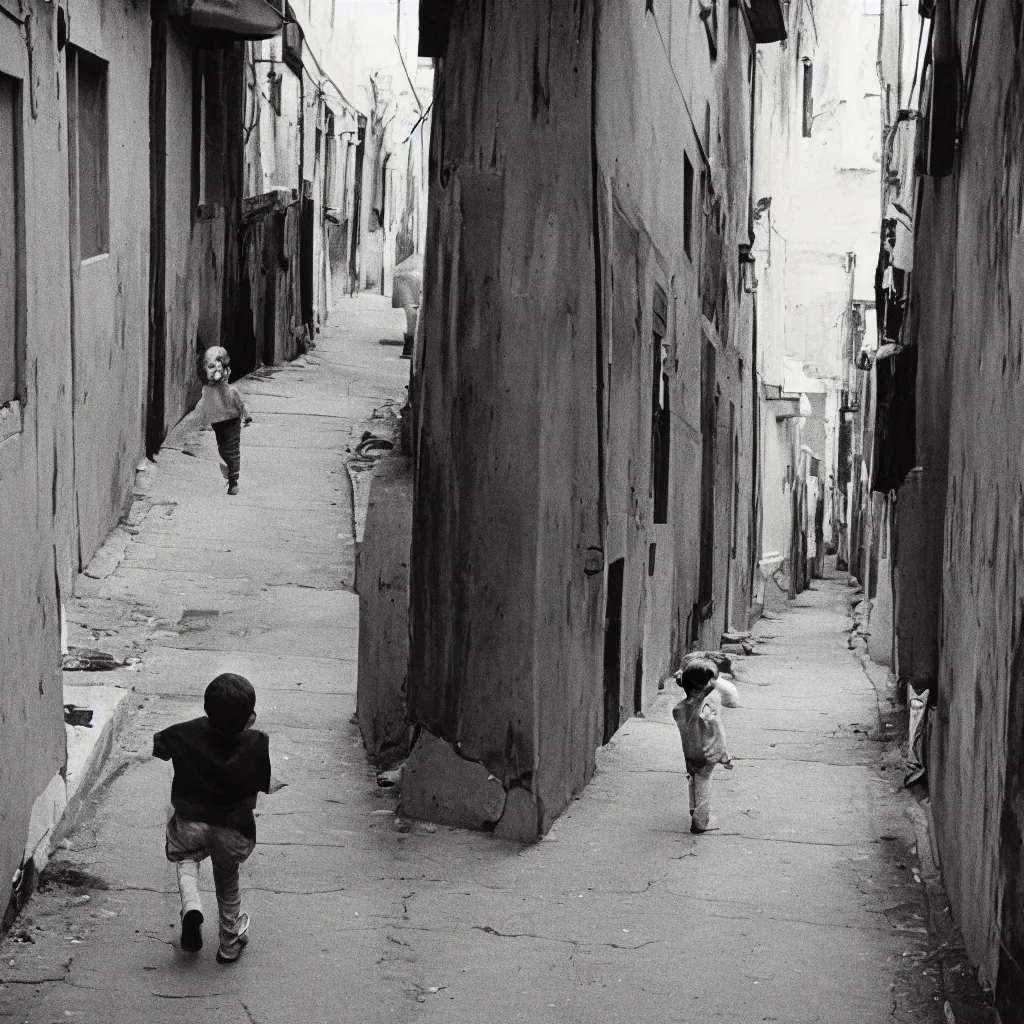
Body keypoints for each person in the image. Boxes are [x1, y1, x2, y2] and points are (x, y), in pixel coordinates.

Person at [153, 673, 283, 962]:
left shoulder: (185, 732)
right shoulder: (257, 742)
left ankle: (191, 906)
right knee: (227, 881)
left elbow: (159, 747)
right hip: (233, 830)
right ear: (250, 717)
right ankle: (229, 944)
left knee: (186, 859)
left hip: (190, 823)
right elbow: (264, 782)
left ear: (205, 708)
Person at [672, 655, 738, 834]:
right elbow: (732, 700)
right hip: (705, 754)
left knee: (693, 780)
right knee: (703, 785)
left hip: (690, 754)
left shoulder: (679, 709)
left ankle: (693, 810)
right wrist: (724, 754)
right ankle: (701, 822)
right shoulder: (709, 707)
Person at [177, 346, 253, 495]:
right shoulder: (208, 390)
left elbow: (240, 403)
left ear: (226, 370)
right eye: (211, 367)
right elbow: (202, 407)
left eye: (218, 368)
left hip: (232, 421)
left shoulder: (231, 390)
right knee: (223, 450)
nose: (215, 372)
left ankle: (233, 480)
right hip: (218, 423)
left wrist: (247, 415)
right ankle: (231, 470)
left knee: (231, 451)